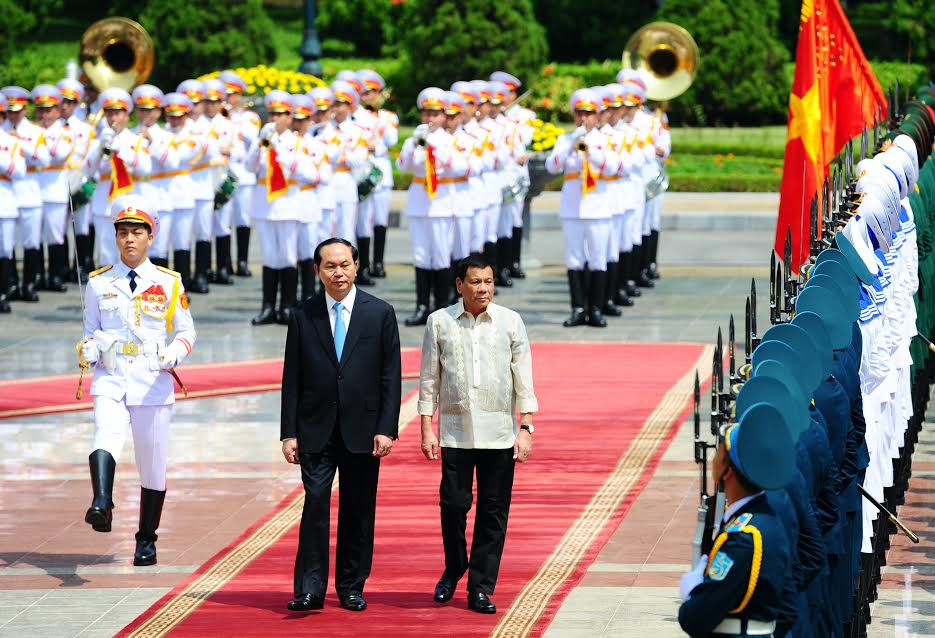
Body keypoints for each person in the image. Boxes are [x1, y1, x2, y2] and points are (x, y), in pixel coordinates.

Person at [280, 237, 401, 613]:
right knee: (315, 503)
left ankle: (351, 586)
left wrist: (387, 427)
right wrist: (289, 432)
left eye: (345, 264)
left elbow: (391, 376)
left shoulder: (379, 313)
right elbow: (292, 377)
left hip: (363, 428)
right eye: (330, 266)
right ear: (317, 270)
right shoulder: (303, 315)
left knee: (358, 508)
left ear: (357, 267)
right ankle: (310, 588)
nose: (338, 272)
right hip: (315, 427)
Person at [78, 194, 196, 566]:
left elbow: (186, 332)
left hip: (151, 380)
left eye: (136, 232)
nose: (129, 239)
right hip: (111, 376)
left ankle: (146, 538)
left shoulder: (168, 282)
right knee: (105, 434)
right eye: (122, 232)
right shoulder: (99, 282)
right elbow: (90, 330)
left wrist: (173, 354)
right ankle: (101, 502)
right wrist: (88, 349)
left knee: (152, 463)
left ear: (150, 236)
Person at [418, 254, 538, 614]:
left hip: (499, 435)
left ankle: (481, 587)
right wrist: (426, 428)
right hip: (455, 434)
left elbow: (524, 378)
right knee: (453, 505)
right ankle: (455, 564)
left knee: (493, 512)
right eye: (475, 282)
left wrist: (526, 428)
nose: (483, 288)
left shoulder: (510, 322)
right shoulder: (439, 322)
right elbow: (429, 379)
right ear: (460, 285)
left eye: (488, 281)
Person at [678, 402, 793, 637]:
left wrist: (693, 592)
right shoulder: (767, 517)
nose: (713, 459)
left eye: (718, 454)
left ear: (728, 471)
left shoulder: (744, 537)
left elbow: (696, 618)